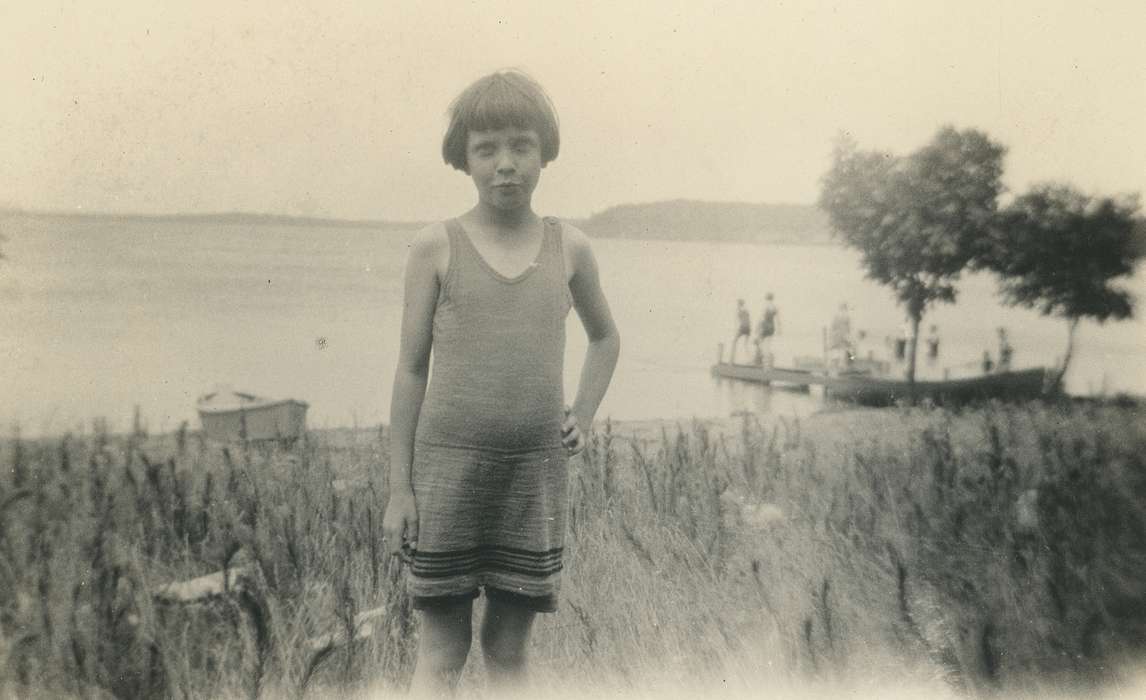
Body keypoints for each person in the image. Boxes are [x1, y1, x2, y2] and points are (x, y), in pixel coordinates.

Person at [382, 70, 620, 697]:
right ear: (463, 158)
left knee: (508, 652)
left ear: (545, 153)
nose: (505, 164)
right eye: (487, 149)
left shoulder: (570, 247)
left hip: (532, 477)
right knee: (442, 652)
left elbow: (606, 337)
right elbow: (410, 370)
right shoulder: (436, 246)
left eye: (521, 145)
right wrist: (397, 488)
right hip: (445, 475)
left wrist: (585, 412)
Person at [753, 293, 779, 366]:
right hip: (771, 327)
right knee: (767, 344)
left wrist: (757, 327)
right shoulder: (774, 307)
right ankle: (768, 360)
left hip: (764, 326)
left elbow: (762, 318)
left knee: (759, 342)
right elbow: (778, 320)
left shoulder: (765, 306)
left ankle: (763, 359)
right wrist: (779, 329)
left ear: (766, 299)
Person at [827, 302, 852, 368]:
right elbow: (833, 327)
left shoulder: (846, 318)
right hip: (838, 337)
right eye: (843, 308)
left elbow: (848, 329)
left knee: (842, 350)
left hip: (842, 337)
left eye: (844, 309)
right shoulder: (838, 317)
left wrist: (847, 337)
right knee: (837, 350)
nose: (844, 310)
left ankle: (840, 364)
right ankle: (834, 364)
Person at [730, 298, 751, 364]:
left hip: (743, 327)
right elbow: (748, 320)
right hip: (748, 328)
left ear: (739, 304)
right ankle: (749, 358)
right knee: (745, 344)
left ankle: (731, 360)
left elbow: (737, 322)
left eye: (738, 304)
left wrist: (736, 330)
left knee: (734, 341)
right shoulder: (746, 310)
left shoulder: (739, 310)